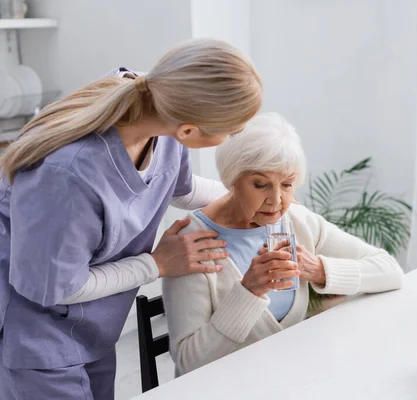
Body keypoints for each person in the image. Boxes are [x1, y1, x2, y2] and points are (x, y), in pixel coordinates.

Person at [0, 39, 262, 399]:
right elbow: (58, 288)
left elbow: (177, 187)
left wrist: (264, 201)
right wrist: (157, 264)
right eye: (232, 131)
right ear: (189, 130)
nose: (236, 136)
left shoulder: (158, 104)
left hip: (92, 327)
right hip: (40, 338)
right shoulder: (70, 175)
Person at [162, 112, 404, 376]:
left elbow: (389, 270)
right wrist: (248, 291)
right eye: (260, 184)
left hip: (289, 377)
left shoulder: (297, 221)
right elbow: (188, 362)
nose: (276, 200)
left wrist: (320, 270)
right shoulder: (191, 245)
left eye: (287, 184)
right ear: (231, 179)